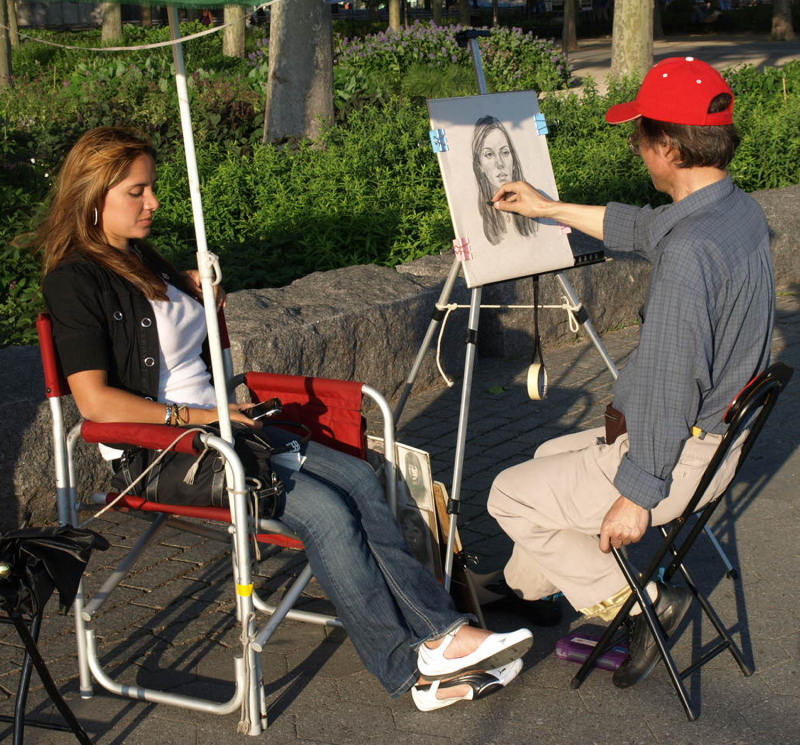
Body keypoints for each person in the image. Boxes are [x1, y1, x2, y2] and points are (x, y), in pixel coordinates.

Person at [39, 127, 533, 712]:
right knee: (326, 512)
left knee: (358, 477)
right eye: (137, 191)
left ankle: (442, 635)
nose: (154, 203)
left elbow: (180, 349)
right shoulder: (75, 279)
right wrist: (204, 415)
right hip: (168, 454)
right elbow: (95, 404)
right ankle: (410, 671)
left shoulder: (142, 259)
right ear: (93, 195)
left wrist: (195, 295)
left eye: (153, 188)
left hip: (227, 428)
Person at [486, 57, 774, 688]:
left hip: (675, 454)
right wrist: (547, 206)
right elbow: (645, 229)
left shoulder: (690, 257)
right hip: (716, 441)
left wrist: (636, 496)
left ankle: (638, 604)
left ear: (667, 146)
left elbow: (672, 385)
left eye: (639, 134)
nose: (635, 145)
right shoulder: (732, 212)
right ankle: (527, 590)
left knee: (506, 491)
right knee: (544, 452)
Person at [472, 115, 536, 246]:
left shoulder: (534, 209)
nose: (499, 163)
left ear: (513, 160)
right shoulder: (476, 218)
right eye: (489, 154)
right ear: (479, 166)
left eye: (505, 152)